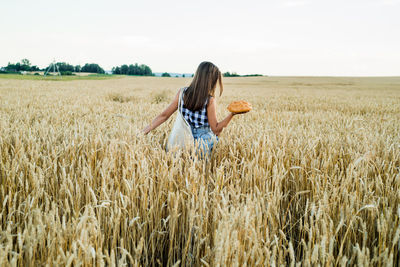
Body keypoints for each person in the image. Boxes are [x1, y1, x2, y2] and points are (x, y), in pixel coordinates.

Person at [142, 61, 241, 154]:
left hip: (182, 140)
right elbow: (216, 129)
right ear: (212, 81)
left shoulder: (182, 93)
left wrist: (143, 132)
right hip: (203, 143)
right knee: (199, 171)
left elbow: (164, 116)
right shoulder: (209, 100)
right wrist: (232, 114)